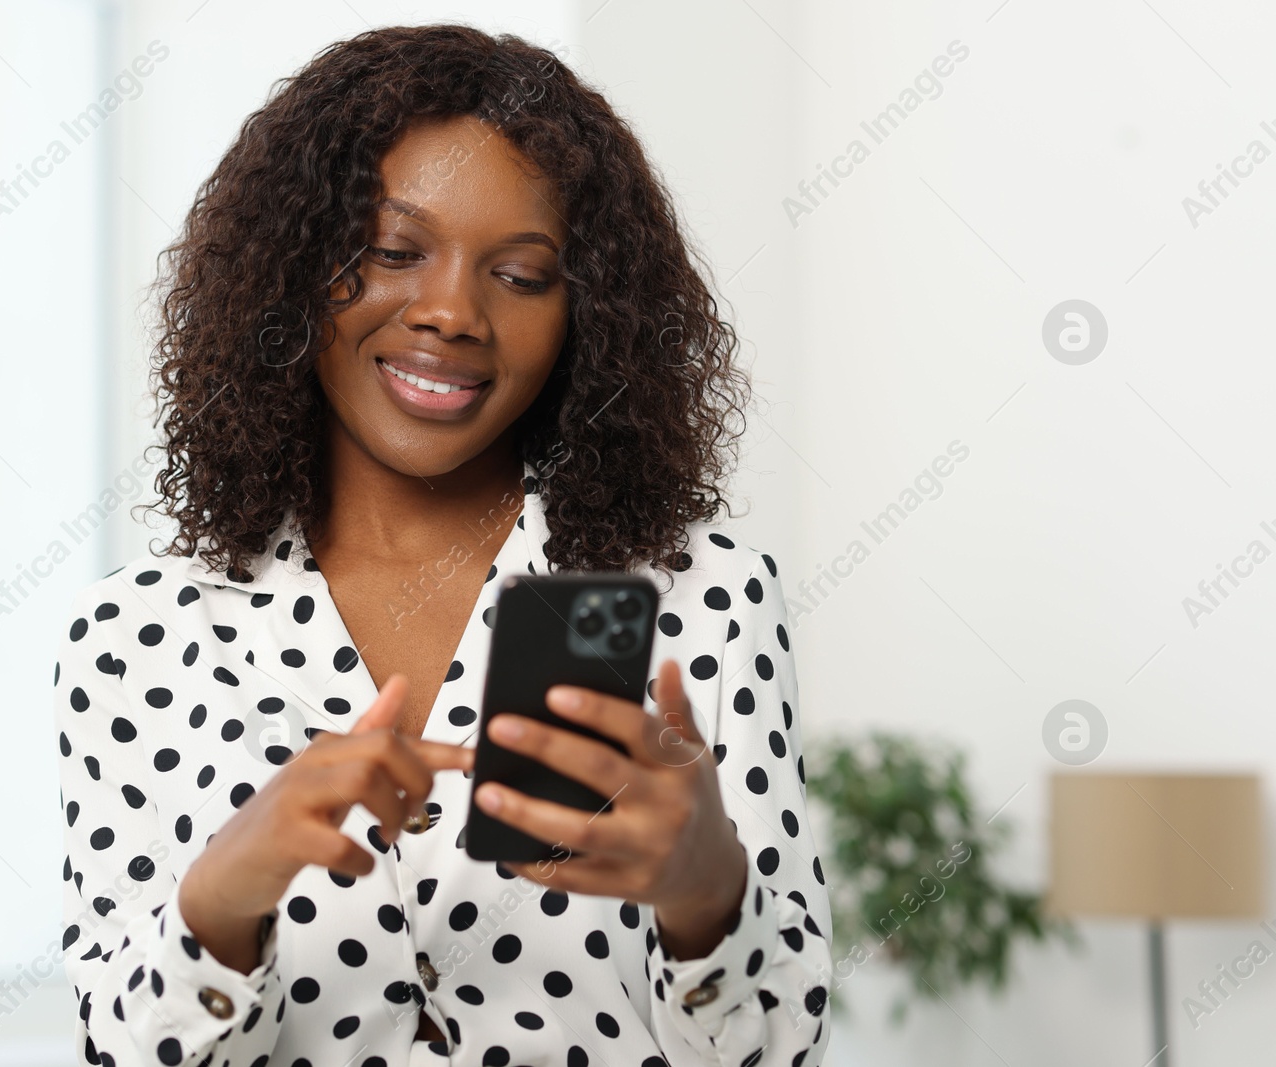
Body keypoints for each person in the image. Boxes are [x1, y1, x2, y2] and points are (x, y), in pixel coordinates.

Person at [53, 23, 831, 1067]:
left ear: (585, 317)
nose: (453, 311)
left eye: (520, 274)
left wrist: (704, 890)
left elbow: (778, 1050)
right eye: (392, 250)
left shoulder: (705, 598)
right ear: (293, 269)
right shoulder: (134, 635)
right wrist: (223, 894)